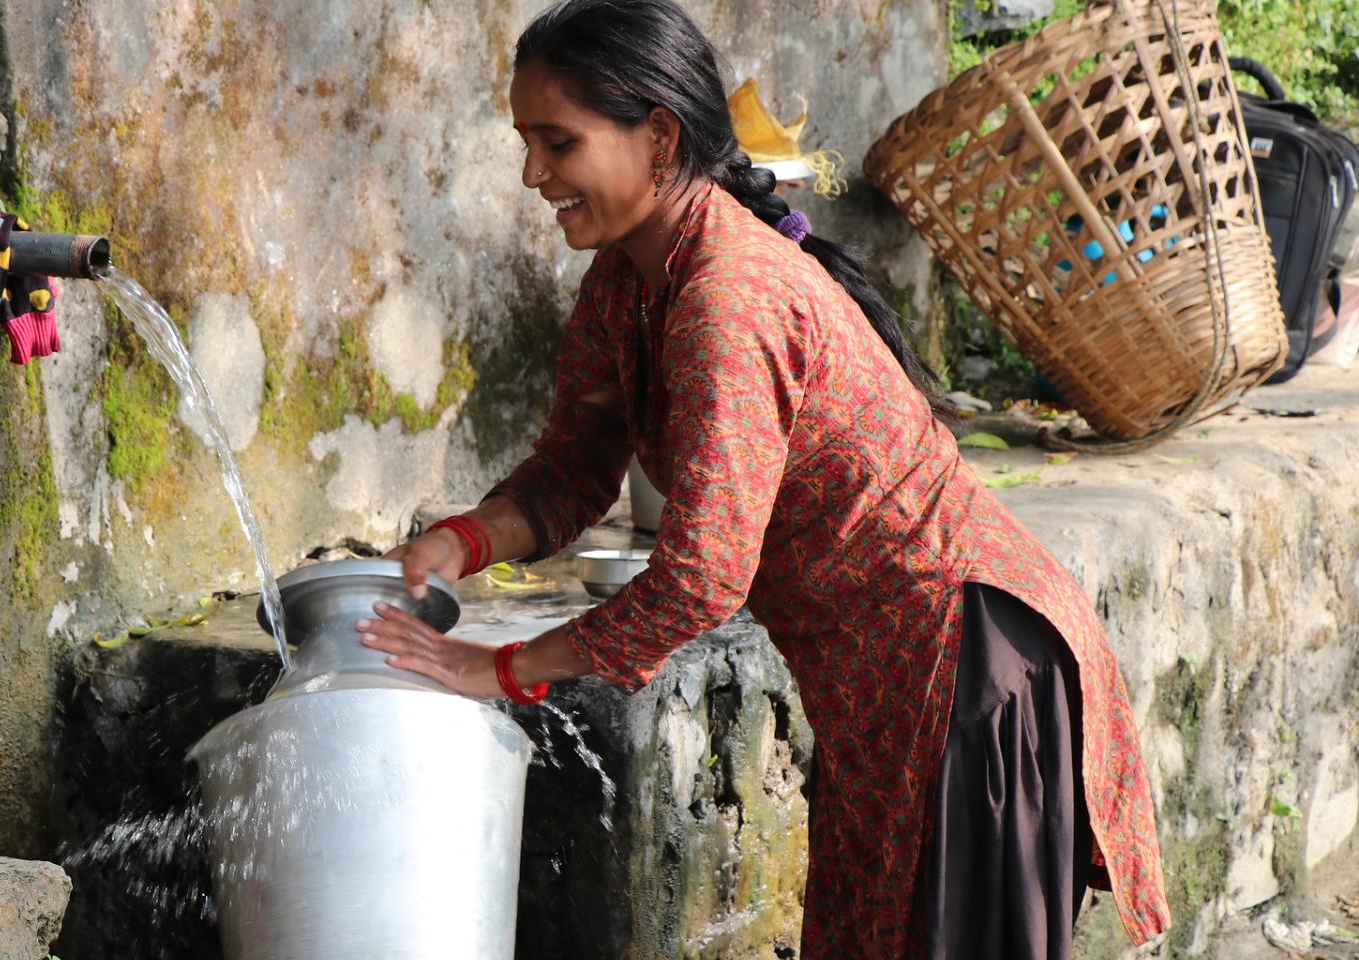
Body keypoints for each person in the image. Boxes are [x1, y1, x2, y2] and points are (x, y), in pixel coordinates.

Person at [355, 1, 1172, 956]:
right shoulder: (628, 280)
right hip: (877, 681)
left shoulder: (724, 298)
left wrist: (500, 670)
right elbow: (574, 468)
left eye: (558, 142)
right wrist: (465, 541)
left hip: (963, 666)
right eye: (526, 142)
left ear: (658, 137)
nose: (534, 174)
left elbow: (702, 576)